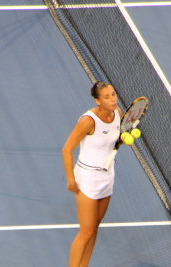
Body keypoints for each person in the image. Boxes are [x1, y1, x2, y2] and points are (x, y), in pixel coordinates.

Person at [62, 81, 121, 267]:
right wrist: (71, 180)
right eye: (106, 97)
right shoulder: (88, 121)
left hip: (107, 176)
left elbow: (111, 142)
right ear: (97, 101)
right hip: (87, 179)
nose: (112, 99)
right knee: (86, 231)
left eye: (113, 94)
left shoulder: (118, 113)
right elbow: (67, 149)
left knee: (95, 227)